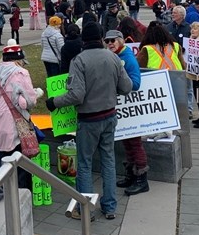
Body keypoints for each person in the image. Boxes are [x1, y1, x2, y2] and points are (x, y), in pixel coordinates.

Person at [45, 22, 133, 221]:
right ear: (101, 38)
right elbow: (126, 87)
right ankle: (110, 207)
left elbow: (77, 95)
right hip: (110, 117)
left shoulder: (79, 60)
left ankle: (85, 209)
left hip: (89, 120)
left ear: (84, 40)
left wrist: (54, 102)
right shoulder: (113, 58)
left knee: (84, 164)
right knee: (108, 161)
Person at [0, 40, 40, 190]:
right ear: (18, 58)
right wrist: (36, 94)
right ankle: (22, 201)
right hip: (15, 124)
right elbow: (28, 102)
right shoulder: (20, 73)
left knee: (6, 162)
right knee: (22, 166)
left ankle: (7, 196)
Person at [106, 30, 148, 196]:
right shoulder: (115, 56)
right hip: (121, 109)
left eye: (113, 40)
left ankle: (141, 179)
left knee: (135, 143)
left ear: (121, 41)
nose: (109, 43)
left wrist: (117, 83)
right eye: (107, 41)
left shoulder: (127, 58)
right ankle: (131, 174)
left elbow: (136, 83)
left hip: (131, 109)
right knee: (127, 142)